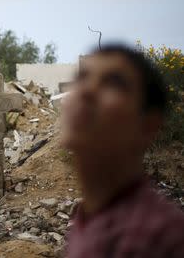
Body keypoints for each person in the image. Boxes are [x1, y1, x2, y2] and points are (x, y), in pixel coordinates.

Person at [61, 44, 184, 258]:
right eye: (82, 77)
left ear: (148, 125)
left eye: (113, 82)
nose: (87, 91)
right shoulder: (87, 220)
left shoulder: (163, 239)